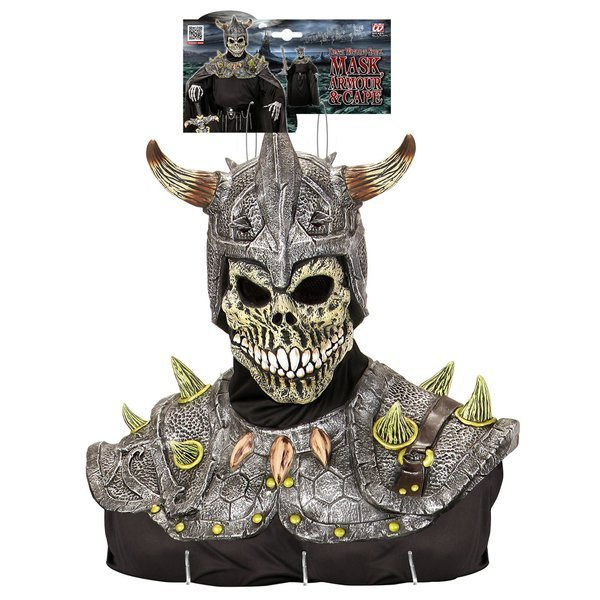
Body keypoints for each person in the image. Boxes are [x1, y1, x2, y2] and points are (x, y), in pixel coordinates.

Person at [87, 132, 519, 585]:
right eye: (253, 291)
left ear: (351, 291)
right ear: (224, 301)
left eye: (313, 289)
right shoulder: (157, 454)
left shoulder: (451, 447)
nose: (283, 321)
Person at [184, 16, 286, 132]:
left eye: (240, 40)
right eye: (232, 41)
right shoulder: (216, 65)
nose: (236, 45)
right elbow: (200, 80)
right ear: (227, 43)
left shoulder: (256, 65)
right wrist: (196, 84)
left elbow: (274, 87)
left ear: (245, 41)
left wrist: (278, 100)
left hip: (247, 123)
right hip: (219, 122)